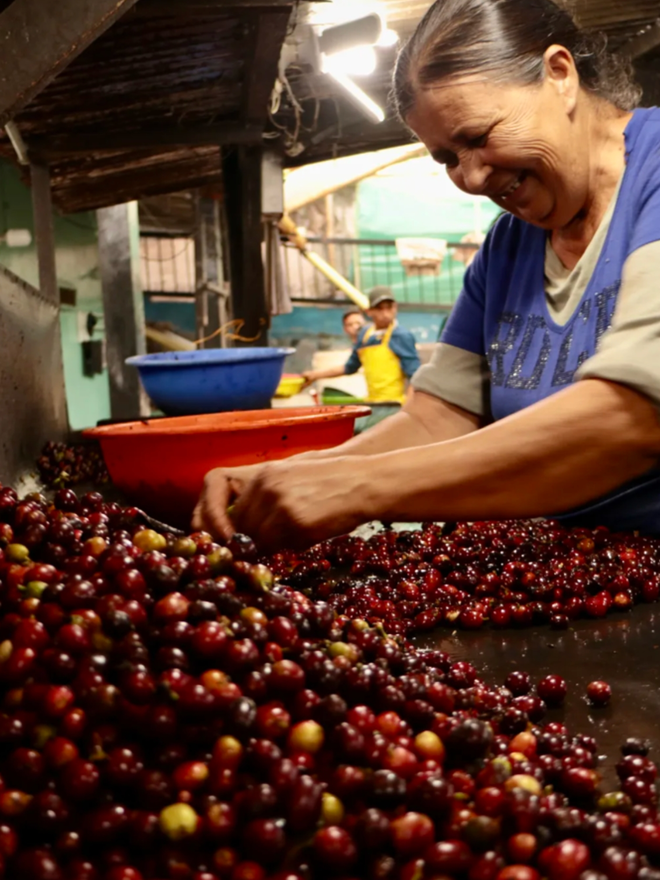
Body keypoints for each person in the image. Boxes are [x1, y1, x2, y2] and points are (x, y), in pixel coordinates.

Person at [193, 0, 660, 552]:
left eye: (479, 135)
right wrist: (291, 475)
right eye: (446, 157)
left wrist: (357, 486)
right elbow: (441, 415)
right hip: (580, 576)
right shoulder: (507, 247)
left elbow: (634, 417)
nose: (472, 176)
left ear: (559, 74)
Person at [301, 288, 421, 408]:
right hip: (372, 403)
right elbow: (349, 367)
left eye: (389, 307)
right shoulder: (365, 335)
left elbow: (415, 378)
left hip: (394, 405)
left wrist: (407, 410)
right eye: (379, 308)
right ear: (369, 311)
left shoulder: (401, 336)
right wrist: (315, 375)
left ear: (395, 308)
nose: (385, 313)